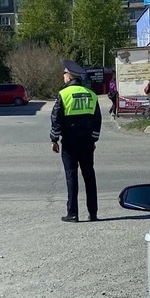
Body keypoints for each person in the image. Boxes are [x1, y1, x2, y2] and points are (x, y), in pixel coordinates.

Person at [51, 60, 102, 222]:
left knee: (71, 176)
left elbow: (56, 119)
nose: (63, 77)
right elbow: (97, 120)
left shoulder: (63, 94)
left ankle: (73, 213)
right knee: (89, 176)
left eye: (64, 74)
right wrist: (94, 140)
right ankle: (93, 213)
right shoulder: (91, 94)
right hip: (87, 142)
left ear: (69, 76)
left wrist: (54, 139)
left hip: (70, 143)